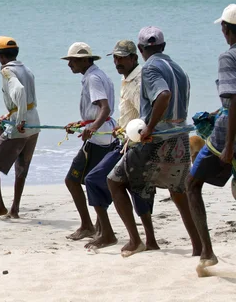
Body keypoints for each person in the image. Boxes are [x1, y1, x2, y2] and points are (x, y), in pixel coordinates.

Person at [107, 26, 201, 257]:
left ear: (140, 50)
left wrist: (149, 127)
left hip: (157, 139)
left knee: (115, 182)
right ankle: (198, 245)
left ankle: (136, 240)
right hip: (180, 137)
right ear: (164, 46)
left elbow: (164, 94)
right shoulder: (179, 69)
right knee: (178, 191)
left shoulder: (149, 68)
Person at [83, 41, 158, 250]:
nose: (117, 62)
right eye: (115, 58)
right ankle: (148, 240)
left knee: (94, 179)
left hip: (133, 144)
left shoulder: (137, 81)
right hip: (125, 139)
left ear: (134, 58)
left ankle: (114, 235)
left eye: (122, 58)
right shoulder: (128, 79)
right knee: (137, 188)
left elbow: (145, 113)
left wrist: (134, 133)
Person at [187, 4, 236, 276]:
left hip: (227, 138)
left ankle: (207, 253)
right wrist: (216, 112)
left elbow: (235, 98)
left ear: (227, 29)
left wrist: (228, 145)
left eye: (223, 27)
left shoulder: (228, 57)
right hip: (228, 124)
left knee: (192, 184)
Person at [61, 42, 118, 240]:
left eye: (73, 61)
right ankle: (97, 224)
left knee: (73, 180)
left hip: (98, 139)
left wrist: (92, 128)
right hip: (104, 135)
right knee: (95, 181)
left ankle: (88, 225)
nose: (70, 65)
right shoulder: (98, 75)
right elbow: (98, 111)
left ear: (85, 60)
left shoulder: (92, 78)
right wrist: (82, 123)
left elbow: (105, 108)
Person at [0, 36, 40, 220]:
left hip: (21, 126)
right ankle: (14, 208)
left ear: (0, 56)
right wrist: (9, 116)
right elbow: (26, 98)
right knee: (22, 167)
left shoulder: (7, 71)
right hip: (34, 123)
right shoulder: (27, 69)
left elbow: (20, 92)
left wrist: (19, 119)